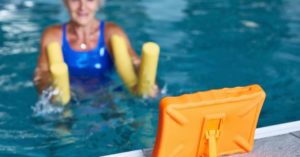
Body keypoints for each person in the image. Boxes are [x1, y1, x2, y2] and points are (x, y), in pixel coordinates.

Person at [34, 0, 147, 95]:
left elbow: (134, 63)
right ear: (65, 2)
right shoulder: (53, 35)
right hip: (70, 96)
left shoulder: (111, 32)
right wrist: (49, 92)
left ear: (99, 2)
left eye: (90, 0)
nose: (82, 7)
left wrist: (147, 82)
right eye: (75, 0)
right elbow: (42, 72)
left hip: (106, 94)